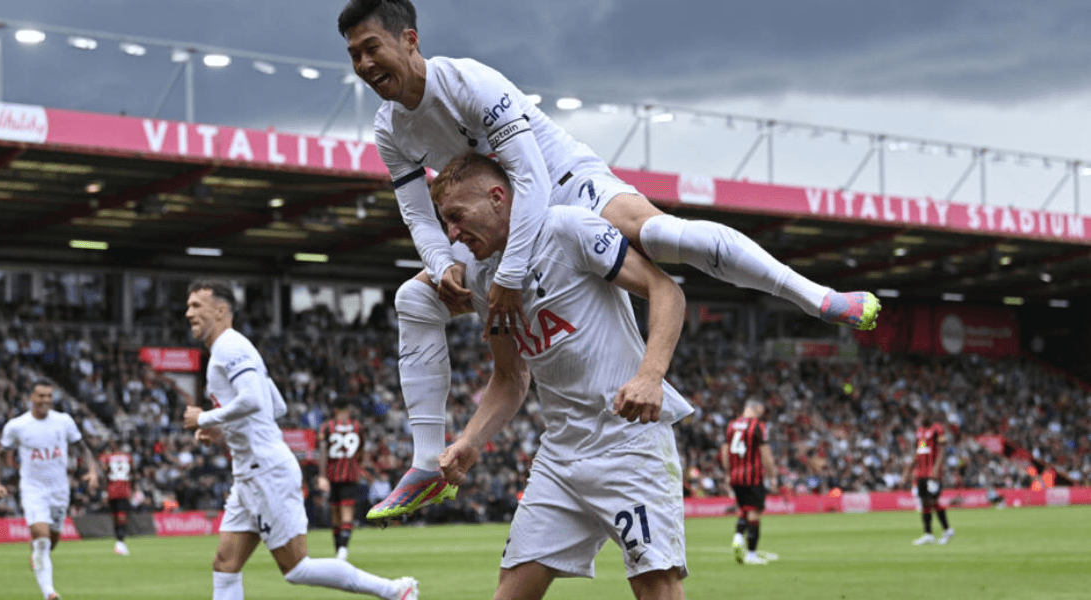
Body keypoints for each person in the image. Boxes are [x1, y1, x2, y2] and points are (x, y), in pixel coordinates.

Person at [335, 0, 882, 520]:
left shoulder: (470, 83)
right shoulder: (390, 130)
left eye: (371, 47)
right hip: (496, 214)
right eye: (354, 53)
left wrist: (507, 276)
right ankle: (426, 463)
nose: (363, 63)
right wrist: (442, 260)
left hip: (568, 183)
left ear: (409, 41)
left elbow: (531, 178)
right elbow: (418, 213)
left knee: (662, 235)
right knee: (414, 299)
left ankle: (819, 298)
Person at [434, 153, 693, 599]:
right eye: (445, 224)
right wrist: (469, 440)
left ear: (498, 198)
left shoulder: (567, 228)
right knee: (511, 590)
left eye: (457, 217)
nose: (452, 234)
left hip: (628, 444)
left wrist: (651, 375)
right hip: (560, 456)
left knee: (655, 585)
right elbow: (510, 375)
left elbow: (665, 289)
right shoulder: (481, 276)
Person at [180, 279, 419, 600]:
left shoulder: (229, 347)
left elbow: (253, 401)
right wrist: (219, 432)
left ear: (221, 310)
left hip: (265, 471)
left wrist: (204, 418)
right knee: (225, 563)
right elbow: (275, 405)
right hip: (250, 474)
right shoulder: (231, 349)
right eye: (188, 306)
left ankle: (395, 591)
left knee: (296, 568)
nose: (188, 313)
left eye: (197, 306)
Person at [0, 378, 100, 600]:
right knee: (41, 539)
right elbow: (0, 453)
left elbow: (82, 447)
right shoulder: (17, 425)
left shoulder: (64, 421)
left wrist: (92, 471)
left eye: (49, 395)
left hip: (60, 491)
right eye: (40, 395)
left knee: (51, 542)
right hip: (33, 490)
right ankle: (49, 593)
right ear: (31, 397)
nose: (45, 400)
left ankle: (38, 556)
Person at [721, 399, 779, 566]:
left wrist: (727, 472)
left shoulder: (731, 425)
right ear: (756, 407)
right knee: (754, 512)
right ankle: (752, 554)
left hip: (735, 476)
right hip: (752, 476)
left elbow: (725, 451)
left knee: (743, 509)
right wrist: (773, 475)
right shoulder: (758, 426)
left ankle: (738, 537)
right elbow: (765, 453)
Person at [317, 397, 370, 561]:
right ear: (348, 408)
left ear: (334, 410)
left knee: (335, 513)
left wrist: (321, 475)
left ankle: (339, 549)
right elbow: (361, 450)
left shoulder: (326, 427)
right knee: (347, 512)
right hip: (350, 474)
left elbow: (322, 452)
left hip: (332, 474)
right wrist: (357, 466)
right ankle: (343, 550)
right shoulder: (357, 427)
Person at [903, 409, 954, 545]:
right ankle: (928, 534)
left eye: (923, 415)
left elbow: (942, 449)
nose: (921, 418)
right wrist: (909, 468)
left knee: (933, 501)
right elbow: (920, 450)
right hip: (921, 473)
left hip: (933, 473)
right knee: (924, 502)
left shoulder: (937, 428)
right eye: (920, 416)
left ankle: (947, 530)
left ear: (929, 416)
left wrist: (936, 469)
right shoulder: (920, 432)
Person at [99, 440, 135, 556]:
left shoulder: (107, 457)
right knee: (122, 516)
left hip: (112, 489)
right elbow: (132, 473)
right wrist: (133, 488)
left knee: (116, 516)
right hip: (124, 489)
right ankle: (120, 542)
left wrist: (104, 492)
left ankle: (119, 542)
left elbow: (104, 474)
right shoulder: (128, 457)